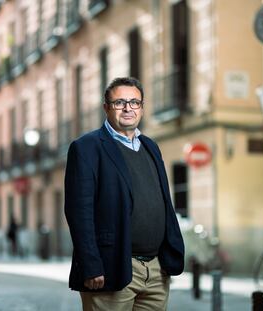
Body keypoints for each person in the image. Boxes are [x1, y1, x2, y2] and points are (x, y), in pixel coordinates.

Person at [64, 77, 185, 311]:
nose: (128, 108)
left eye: (134, 102)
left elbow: (164, 203)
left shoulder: (150, 146)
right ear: (106, 107)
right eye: (120, 102)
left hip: (156, 270)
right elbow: (79, 212)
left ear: (141, 107)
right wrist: (91, 265)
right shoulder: (87, 147)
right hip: (112, 266)